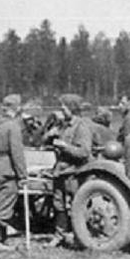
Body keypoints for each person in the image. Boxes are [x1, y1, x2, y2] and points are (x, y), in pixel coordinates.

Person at [50, 93, 93, 244]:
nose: (61, 110)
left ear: (72, 108)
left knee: (75, 205)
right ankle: (59, 235)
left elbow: (84, 152)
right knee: (58, 204)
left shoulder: (81, 127)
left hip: (74, 172)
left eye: (64, 107)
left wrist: (65, 146)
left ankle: (79, 236)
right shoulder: (63, 125)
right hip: (60, 170)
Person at [0, 94, 27, 243]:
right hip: (8, 171)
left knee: (1, 204)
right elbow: (17, 153)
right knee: (5, 208)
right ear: (16, 109)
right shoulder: (13, 126)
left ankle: (1, 239)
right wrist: (22, 175)